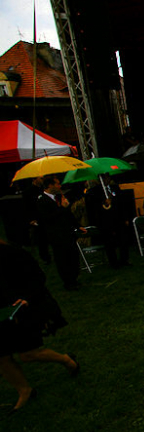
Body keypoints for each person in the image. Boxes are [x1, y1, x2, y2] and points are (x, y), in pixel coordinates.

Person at [0, 240, 79, 412]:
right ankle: (24, 390)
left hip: (24, 309)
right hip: (2, 313)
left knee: (28, 354)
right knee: (2, 357)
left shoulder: (13, 253)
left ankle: (67, 360)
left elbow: (37, 278)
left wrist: (25, 298)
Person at [36, 176, 85, 291]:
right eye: (57, 184)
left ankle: (74, 278)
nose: (60, 186)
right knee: (63, 259)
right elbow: (47, 218)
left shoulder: (60, 197)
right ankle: (68, 281)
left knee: (73, 257)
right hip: (56, 236)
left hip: (68, 233)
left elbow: (68, 215)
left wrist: (77, 226)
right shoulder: (42, 200)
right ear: (50, 186)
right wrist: (62, 208)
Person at [85, 178, 133, 268]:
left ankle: (124, 259)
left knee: (123, 240)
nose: (106, 179)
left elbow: (121, 203)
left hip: (118, 219)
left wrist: (125, 218)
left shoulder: (115, 188)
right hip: (105, 221)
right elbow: (93, 208)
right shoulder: (94, 192)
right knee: (109, 243)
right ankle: (113, 262)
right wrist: (104, 203)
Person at [22, 176, 51, 264]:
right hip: (37, 218)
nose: (42, 180)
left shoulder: (43, 189)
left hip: (46, 216)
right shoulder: (28, 192)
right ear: (34, 179)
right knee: (42, 239)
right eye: (40, 178)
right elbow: (26, 207)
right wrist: (31, 219)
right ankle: (45, 257)